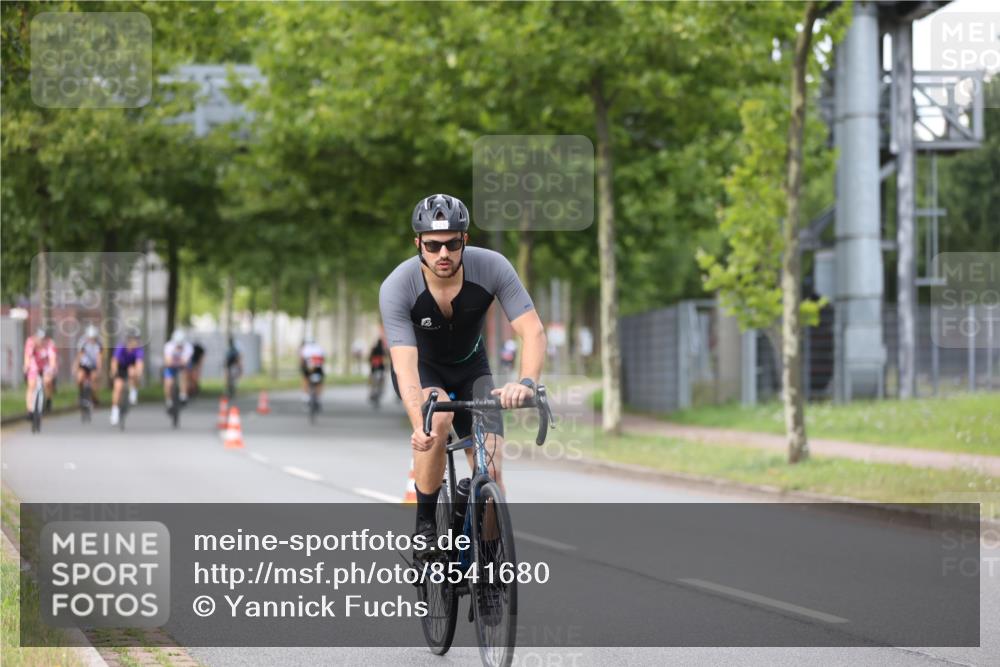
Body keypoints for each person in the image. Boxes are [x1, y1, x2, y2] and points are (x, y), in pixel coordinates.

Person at [379, 193, 546, 558]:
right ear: (418, 244)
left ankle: (486, 563)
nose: (443, 254)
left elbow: (532, 331)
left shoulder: (493, 267)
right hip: (424, 370)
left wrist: (526, 382)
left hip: (473, 369)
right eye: (433, 245)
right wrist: (418, 425)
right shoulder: (398, 286)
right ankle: (425, 525)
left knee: (491, 467)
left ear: (464, 241)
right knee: (437, 421)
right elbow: (405, 364)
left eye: (452, 243)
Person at [110, 329, 145, 425]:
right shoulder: (121, 347)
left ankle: (133, 390)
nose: (133, 342)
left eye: (135, 339)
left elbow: (139, 363)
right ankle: (115, 411)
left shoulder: (138, 349)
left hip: (131, 367)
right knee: (117, 388)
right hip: (121, 367)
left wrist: (139, 373)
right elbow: (114, 361)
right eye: (131, 339)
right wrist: (114, 371)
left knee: (133, 371)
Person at [23, 327, 58, 414]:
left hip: (46, 365)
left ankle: (48, 399)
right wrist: (26, 367)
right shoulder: (30, 342)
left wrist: (52, 369)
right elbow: (27, 356)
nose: (41, 341)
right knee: (31, 385)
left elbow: (52, 359)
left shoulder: (50, 344)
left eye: (43, 339)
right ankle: (30, 410)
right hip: (34, 364)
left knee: (47, 381)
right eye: (39, 339)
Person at [162, 329, 193, 410]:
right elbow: (167, 361)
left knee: (184, 374)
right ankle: (169, 400)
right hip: (171, 366)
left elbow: (186, 362)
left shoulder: (188, 347)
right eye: (177, 345)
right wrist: (173, 362)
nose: (179, 346)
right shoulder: (168, 346)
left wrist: (180, 362)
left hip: (182, 366)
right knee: (168, 383)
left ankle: (183, 395)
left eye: (180, 345)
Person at [75, 325, 103, 407]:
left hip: (94, 365)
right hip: (84, 364)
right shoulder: (82, 342)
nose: (91, 340)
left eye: (93, 338)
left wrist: (99, 370)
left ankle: (94, 397)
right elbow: (80, 355)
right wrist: (76, 366)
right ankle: (80, 395)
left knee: (94, 378)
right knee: (80, 377)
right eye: (90, 338)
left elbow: (99, 358)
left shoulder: (99, 343)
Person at [299, 336, 325, 405]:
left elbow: (302, 360)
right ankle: (319, 397)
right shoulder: (320, 348)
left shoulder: (304, 348)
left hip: (308, 368)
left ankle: (305, 395)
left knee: (305, 379)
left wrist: (301, 367)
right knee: (320, 382)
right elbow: (323, 359)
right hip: (318, 368)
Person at [368, 329, 387, 406]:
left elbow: (369, 358)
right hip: (381, 368)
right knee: (381, 380)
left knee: (373, 381)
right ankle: (380, 391)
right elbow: (386, 359)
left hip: (374, 369)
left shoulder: (374, 349)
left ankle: (373, 391)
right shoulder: (383, 350)